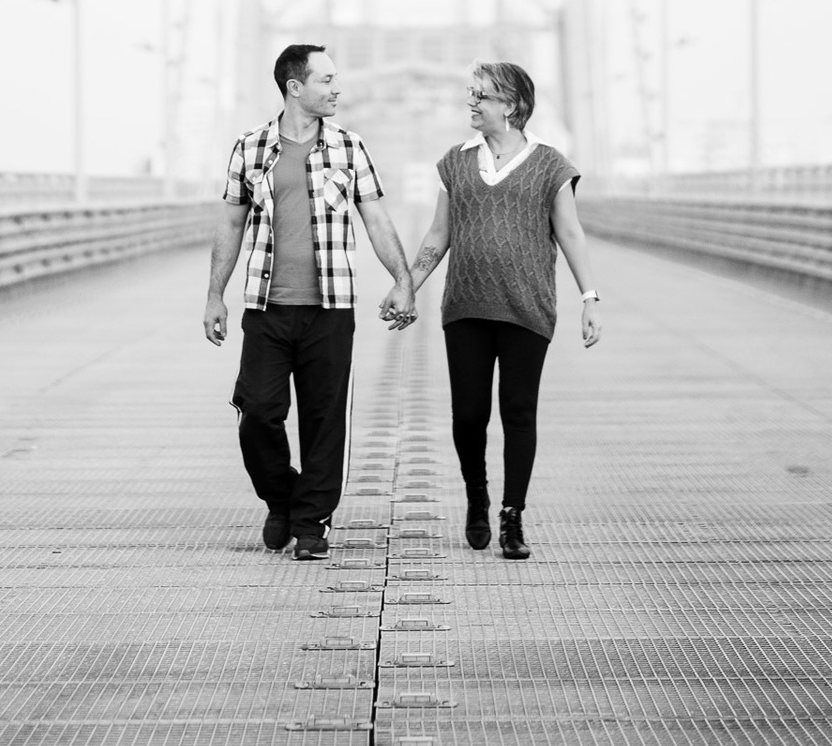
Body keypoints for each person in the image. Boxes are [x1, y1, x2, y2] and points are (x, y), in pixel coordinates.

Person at [204, 44, 416, 560]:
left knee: (324, 420)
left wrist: (403, 280)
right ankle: (281, 498)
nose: (336, 87)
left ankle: (311, 523)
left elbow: (377, 218)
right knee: (256, 411)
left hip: (330, 308)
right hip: (265, 307)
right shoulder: (250, 147)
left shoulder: (350, 147)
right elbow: (231, 223)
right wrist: (215, 295)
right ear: (294, 87)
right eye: (326, 79)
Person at [388, 59, 601, 560]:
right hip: (465, 306)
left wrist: (589, 299)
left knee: (519, 412)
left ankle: (513, 515)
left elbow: (569, 233)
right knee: (469, 415)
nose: (471, 102)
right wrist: (408, 286)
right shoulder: (455, 162)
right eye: (470, 93)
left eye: (480, 95)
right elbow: (438, 236)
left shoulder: (550, 165)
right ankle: (477, 496)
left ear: (511, 105)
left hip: (528, 308)